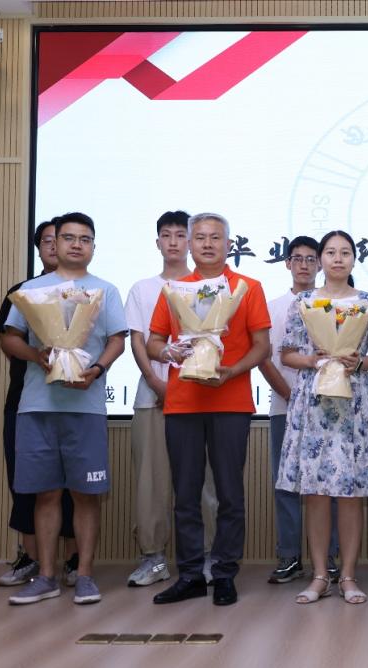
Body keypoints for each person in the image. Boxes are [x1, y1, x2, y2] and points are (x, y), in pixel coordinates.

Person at [1, 212, 128, 605]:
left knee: (86, 494)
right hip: (37, 406)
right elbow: (10, 339)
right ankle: (46, 576)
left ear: (93, 247)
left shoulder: (105, 290)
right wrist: (37, 357)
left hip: (86, 407)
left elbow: (117, 340)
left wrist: (96, 369)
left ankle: (84, 575)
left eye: (84, 239)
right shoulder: (31, 290)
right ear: (55, 243)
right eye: (69, 237)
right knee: (46, 494)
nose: (76, 244)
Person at [147, 212, 270, 607]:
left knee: (230, 493)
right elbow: (153, 342)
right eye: (199, 237)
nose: (207, 244)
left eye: (215, 237)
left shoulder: (247, 288)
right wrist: (169, 352)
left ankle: (225, 573)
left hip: (231, 401)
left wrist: (232, 370)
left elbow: (262, 346)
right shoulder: (173, 290)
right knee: (185, 494)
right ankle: (189, 575)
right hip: (182, 403)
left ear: (228, 245)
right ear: (189, 244)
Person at [277, 230, 368, 605]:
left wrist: (358, 362)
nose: (338, 258)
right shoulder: (304, 302)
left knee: (350, 495)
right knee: (315, 494)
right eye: (330, 252)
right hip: (313, 402)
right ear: (320, 260)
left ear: (354, 259)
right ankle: (318, 576)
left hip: (354, 403)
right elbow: (287, 353)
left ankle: (348, 576)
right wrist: (313, 360)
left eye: (345, 252)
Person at [124, 210, 222, 588]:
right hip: (154, 397)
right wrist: (155, 381)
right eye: (167, 235)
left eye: (182, 235)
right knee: (151, 481)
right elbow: (138, 340)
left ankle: (207, 556)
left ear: (193, 241)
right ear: (158, 242)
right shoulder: (143, 288)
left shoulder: (210, 287)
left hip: (200, 398)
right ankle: (153, 558)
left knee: (204, 481)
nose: (175, 242)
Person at [0, 219, 78, 587]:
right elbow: (7, 342)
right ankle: (31, 558)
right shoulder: (22, 292)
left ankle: (74, 560)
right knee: (27, 481)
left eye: (60, 239)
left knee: (74, 485)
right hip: (26, 401)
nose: (54, 245)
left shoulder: (86, 292)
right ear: (39, 248)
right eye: (46, 240)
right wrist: (37, 355)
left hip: (75, 402)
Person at [258, 236, 339, 584]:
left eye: (310, 259)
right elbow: (264, 357)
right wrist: (291, 395)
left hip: (327, 408)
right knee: (286, 483)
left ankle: (330, 558)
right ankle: (289, 555)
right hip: (284, 406)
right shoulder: (273, 306)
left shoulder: (332, 303)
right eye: (297, 258)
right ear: (287, 264)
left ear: (319, 264)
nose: (304, 265)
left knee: (329, 481)